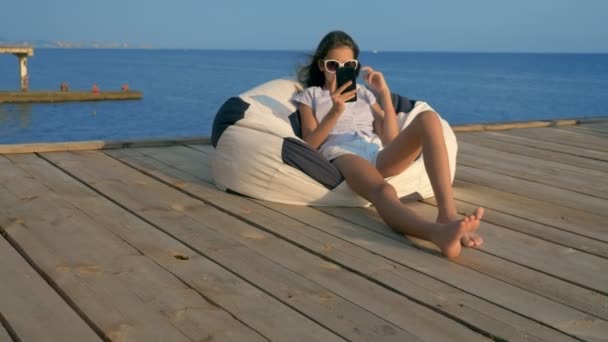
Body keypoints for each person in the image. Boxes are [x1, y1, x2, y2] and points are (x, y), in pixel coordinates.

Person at [293, 30, 484, 258]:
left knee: (428, 119)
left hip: (375, 150)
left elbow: (390, 138)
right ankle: (436, 233)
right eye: (334, 66)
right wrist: (335, 111)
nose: (340, 73)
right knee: (384, 190)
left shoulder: (364, 94)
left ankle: (447, 214)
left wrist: (383, 93)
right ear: (322, 66)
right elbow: (309, 144)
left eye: (349, 66)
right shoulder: (311, 95)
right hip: (342, 151)